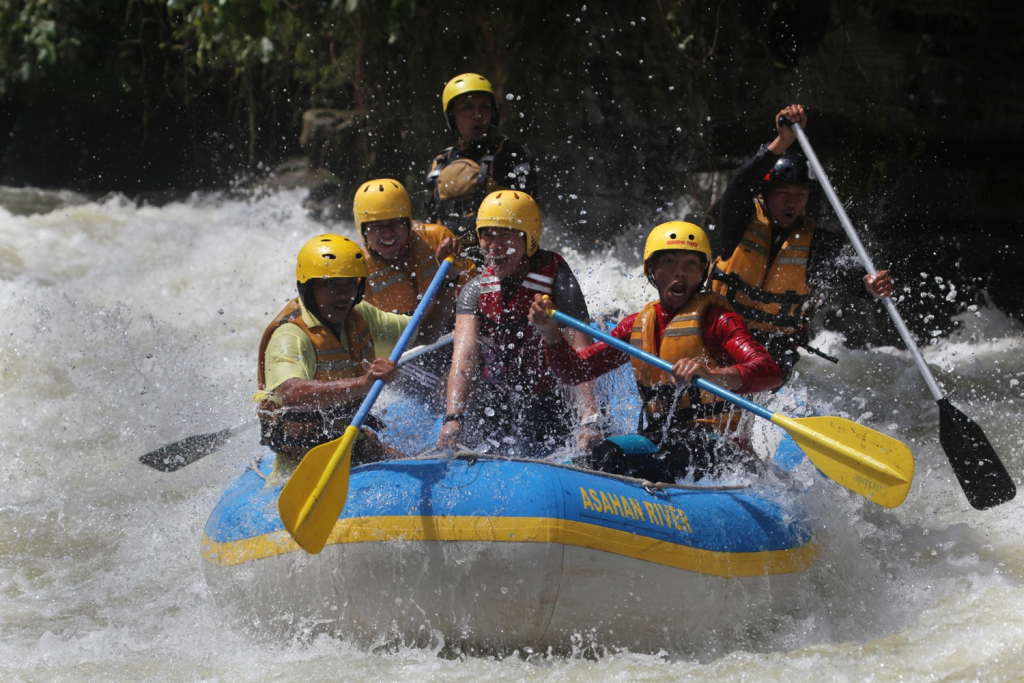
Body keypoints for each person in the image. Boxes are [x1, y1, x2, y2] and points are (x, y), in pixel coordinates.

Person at [529, 222, 782, 483]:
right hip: (664, 441)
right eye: (669, 262)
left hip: (719, 447)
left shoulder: (718, 320)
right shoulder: (637, 325)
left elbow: (770, 371)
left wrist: (712, 374)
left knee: (610, 456)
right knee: (590, 457)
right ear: (651, 269)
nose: (680, 272)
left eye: (691, 263)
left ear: (703, 271)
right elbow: (575, 371)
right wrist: (550, 334)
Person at [710, 104, 894, 384]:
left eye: (800, 194)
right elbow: (740, 183)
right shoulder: (739, 221)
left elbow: (841, 273)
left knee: (770, 366)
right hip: (720, 331)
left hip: (771, 350)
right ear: (765, 194)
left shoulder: (814, 241)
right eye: (783, 192)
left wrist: (868, 286)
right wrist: (782, 142)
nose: (791, 202)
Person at [254, 234, 456, 472]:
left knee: (428, 467)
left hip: (351, 441)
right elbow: (290, 394)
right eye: (330, 284)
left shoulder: (361, 316)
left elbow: (425, 333)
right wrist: (362, 383)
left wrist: (448, 280)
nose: (342, 293)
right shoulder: (290, 334)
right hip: (303, 459)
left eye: (350, 283)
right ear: (306, 288)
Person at [436, 190, 601, 457]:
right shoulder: (474, 290)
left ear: (529, 238)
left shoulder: (558, 279)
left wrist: (589, 419)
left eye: (505, 235)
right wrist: (453, 418)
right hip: (497, 399)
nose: (493, 245)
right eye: (487, 235)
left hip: (549, 398)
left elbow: (581, 352)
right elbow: (464, 357)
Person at [354, 177, 475, 401]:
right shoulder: (359, 272)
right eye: (377, 226)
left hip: (452, 331)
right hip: (406, 350)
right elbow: (420, 337)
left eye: (396, 222)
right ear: (364, 230)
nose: (388, 233)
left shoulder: (437, 239)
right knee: (443, 391)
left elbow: (478, 293)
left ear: (408, 222)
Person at [425, 73, 537, 262]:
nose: (477, 115)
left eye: (484, 107)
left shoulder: (512, 155)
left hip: (498, 261)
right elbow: (431, 222)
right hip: (450, 262)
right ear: (452, 116)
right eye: (467, 107)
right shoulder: (438, 164)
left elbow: (529, 217)